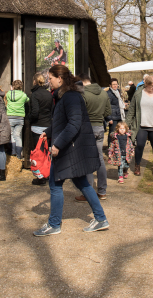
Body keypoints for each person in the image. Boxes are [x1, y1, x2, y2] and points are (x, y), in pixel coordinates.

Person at [33, 65, 109, 236]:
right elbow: (62, 122)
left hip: (70, 148)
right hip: (72, 147)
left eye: (50, 78)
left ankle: (54, 224)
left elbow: (74, 124)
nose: (48, 81)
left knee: (55, 183)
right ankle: (101, 218)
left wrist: (58, 144)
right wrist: (47, 133)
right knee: (81, 182)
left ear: (59, 78)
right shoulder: (64, 96)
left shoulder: (71, 97)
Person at [74, 75, 110, 201]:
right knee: (99, 158)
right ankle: (102, 191)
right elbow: (107, 112)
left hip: (87, 129)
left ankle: (88, 193)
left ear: (83, 83)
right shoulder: (104, 93)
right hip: (100, 127)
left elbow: (79, 112)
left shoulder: (83, 94)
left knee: (88, 161)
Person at [126, 74, 153, 177]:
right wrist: (126, 124)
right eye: (151, 86)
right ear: (146, 84)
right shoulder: (138, 93)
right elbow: (132, 110)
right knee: (139, 146)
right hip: (141, 125)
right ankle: (137, 166)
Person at [28, 72, 53, 185]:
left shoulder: (34, 94)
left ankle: (40, 177)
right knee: (46, 152)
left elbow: (35, 112)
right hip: (47, 126)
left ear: (35, 81)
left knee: (37, 153)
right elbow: (52, 110)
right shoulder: (49, 94)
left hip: (37, 126)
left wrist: (29, 119)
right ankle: (47, 173)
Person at [6, 80, 29, 160]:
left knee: (11, 135)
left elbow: (5, 97)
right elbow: (27, 100)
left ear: (13, 86)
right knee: (17, 135)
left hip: (10, 117)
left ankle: (12, 152)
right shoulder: (23, 95)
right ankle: (19, 155)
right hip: (20, 118)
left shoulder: (9, 94)